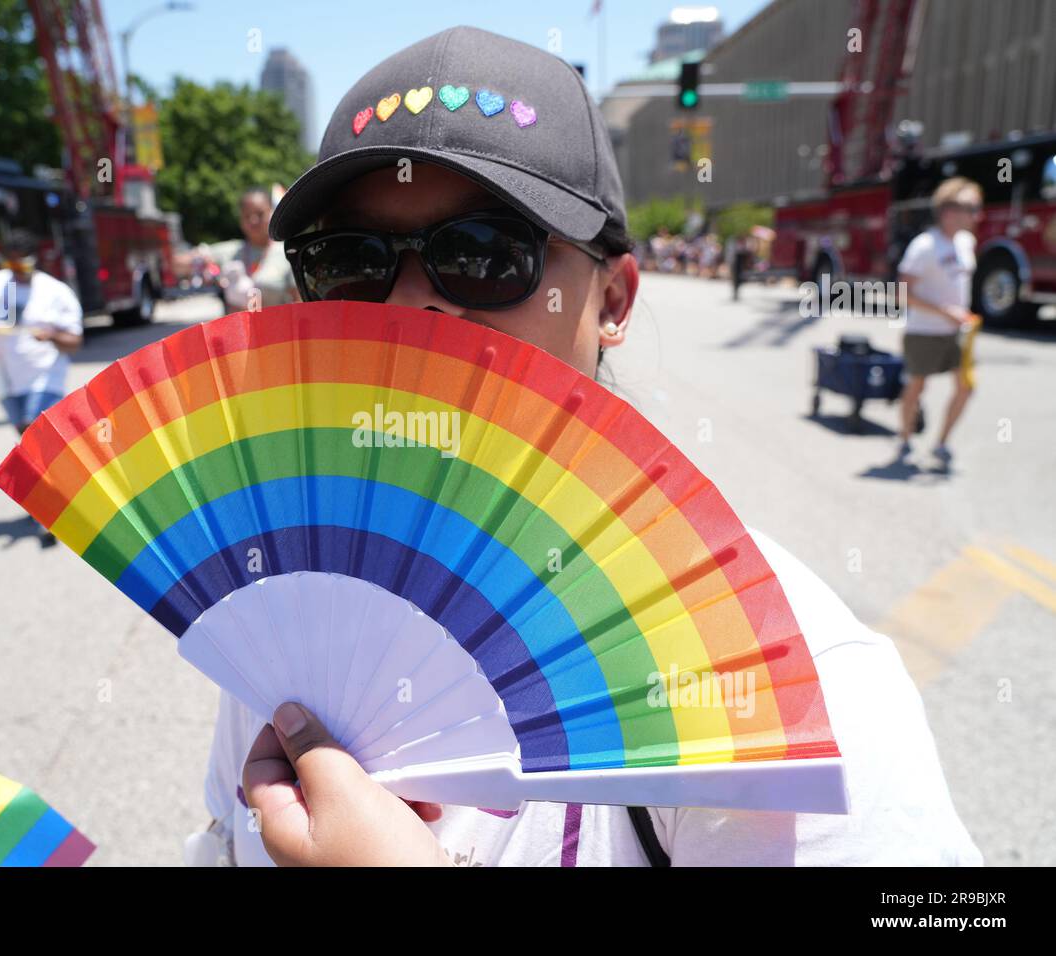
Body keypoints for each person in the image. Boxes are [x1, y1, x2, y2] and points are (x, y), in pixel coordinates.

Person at [188, 26, 980, 867]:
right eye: (348, 261)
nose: (410, 307)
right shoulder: (283, 609)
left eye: (484, 253)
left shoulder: (799, 680)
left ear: (614, 299)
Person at [0, 230, 84, 545]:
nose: (19, 272)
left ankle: (51, 512)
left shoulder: (56, 292)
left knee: (34, 436)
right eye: (13, 266)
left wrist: (52, 336)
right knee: (29, 439)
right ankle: (60, 492)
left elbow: (75, 341)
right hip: (3, 379)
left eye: (25, 266)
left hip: (45, 375)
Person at [895, 177, 983, 468]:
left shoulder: (966, 243)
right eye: (971, 207)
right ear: (948, 211)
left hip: (957, 332)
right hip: (924, 330)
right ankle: (905, 439)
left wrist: (960, 315)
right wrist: (943, 312)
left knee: (966, 387)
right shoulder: (925, 246)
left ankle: (942, 443)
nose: (976, 215)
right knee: (917, 388)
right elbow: (902, 294)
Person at [195, 187, 298, 311]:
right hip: (236, 328)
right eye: (247, 216)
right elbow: (190, 259)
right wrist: (208, 270)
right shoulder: (230, 251)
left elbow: (298, 301)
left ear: (272, 212)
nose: (253, 220)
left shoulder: (286, 252)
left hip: (275, 327)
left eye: (260, 214)